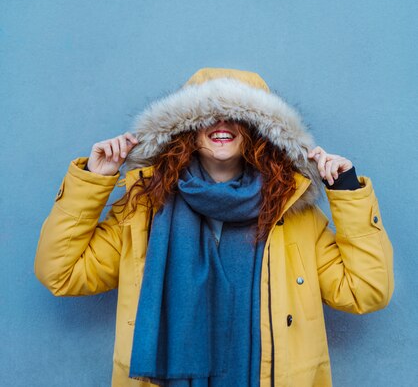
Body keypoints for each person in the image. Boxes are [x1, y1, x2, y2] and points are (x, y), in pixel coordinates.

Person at [34, 67, 394, 387]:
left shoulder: (295, 217)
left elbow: (364, 292)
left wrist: (347, 193)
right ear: (185, 129)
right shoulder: (144, 211)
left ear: (258, 131)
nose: (222, 125)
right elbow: (62, 274)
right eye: (207, 114)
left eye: (237, 115)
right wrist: (93, 182)